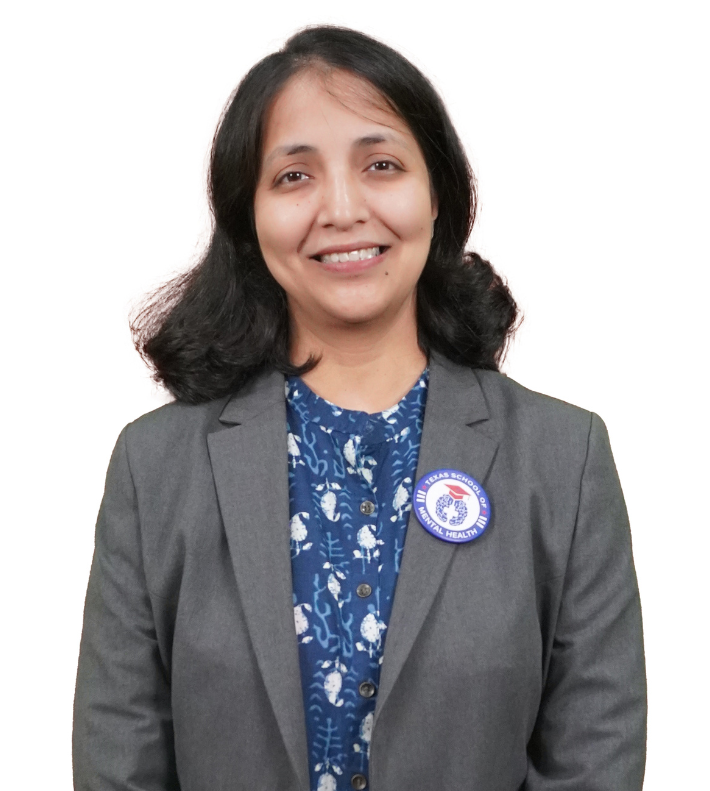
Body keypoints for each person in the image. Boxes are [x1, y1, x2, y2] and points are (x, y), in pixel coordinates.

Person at [72, 25, 646, 791]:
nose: (342, 208)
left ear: (437, 194)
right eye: (294, 176)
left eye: (381, 165)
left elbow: (595, 756)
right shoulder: (155, 468)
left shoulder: (562, 458)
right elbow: (120, 762)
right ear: (248, 216)